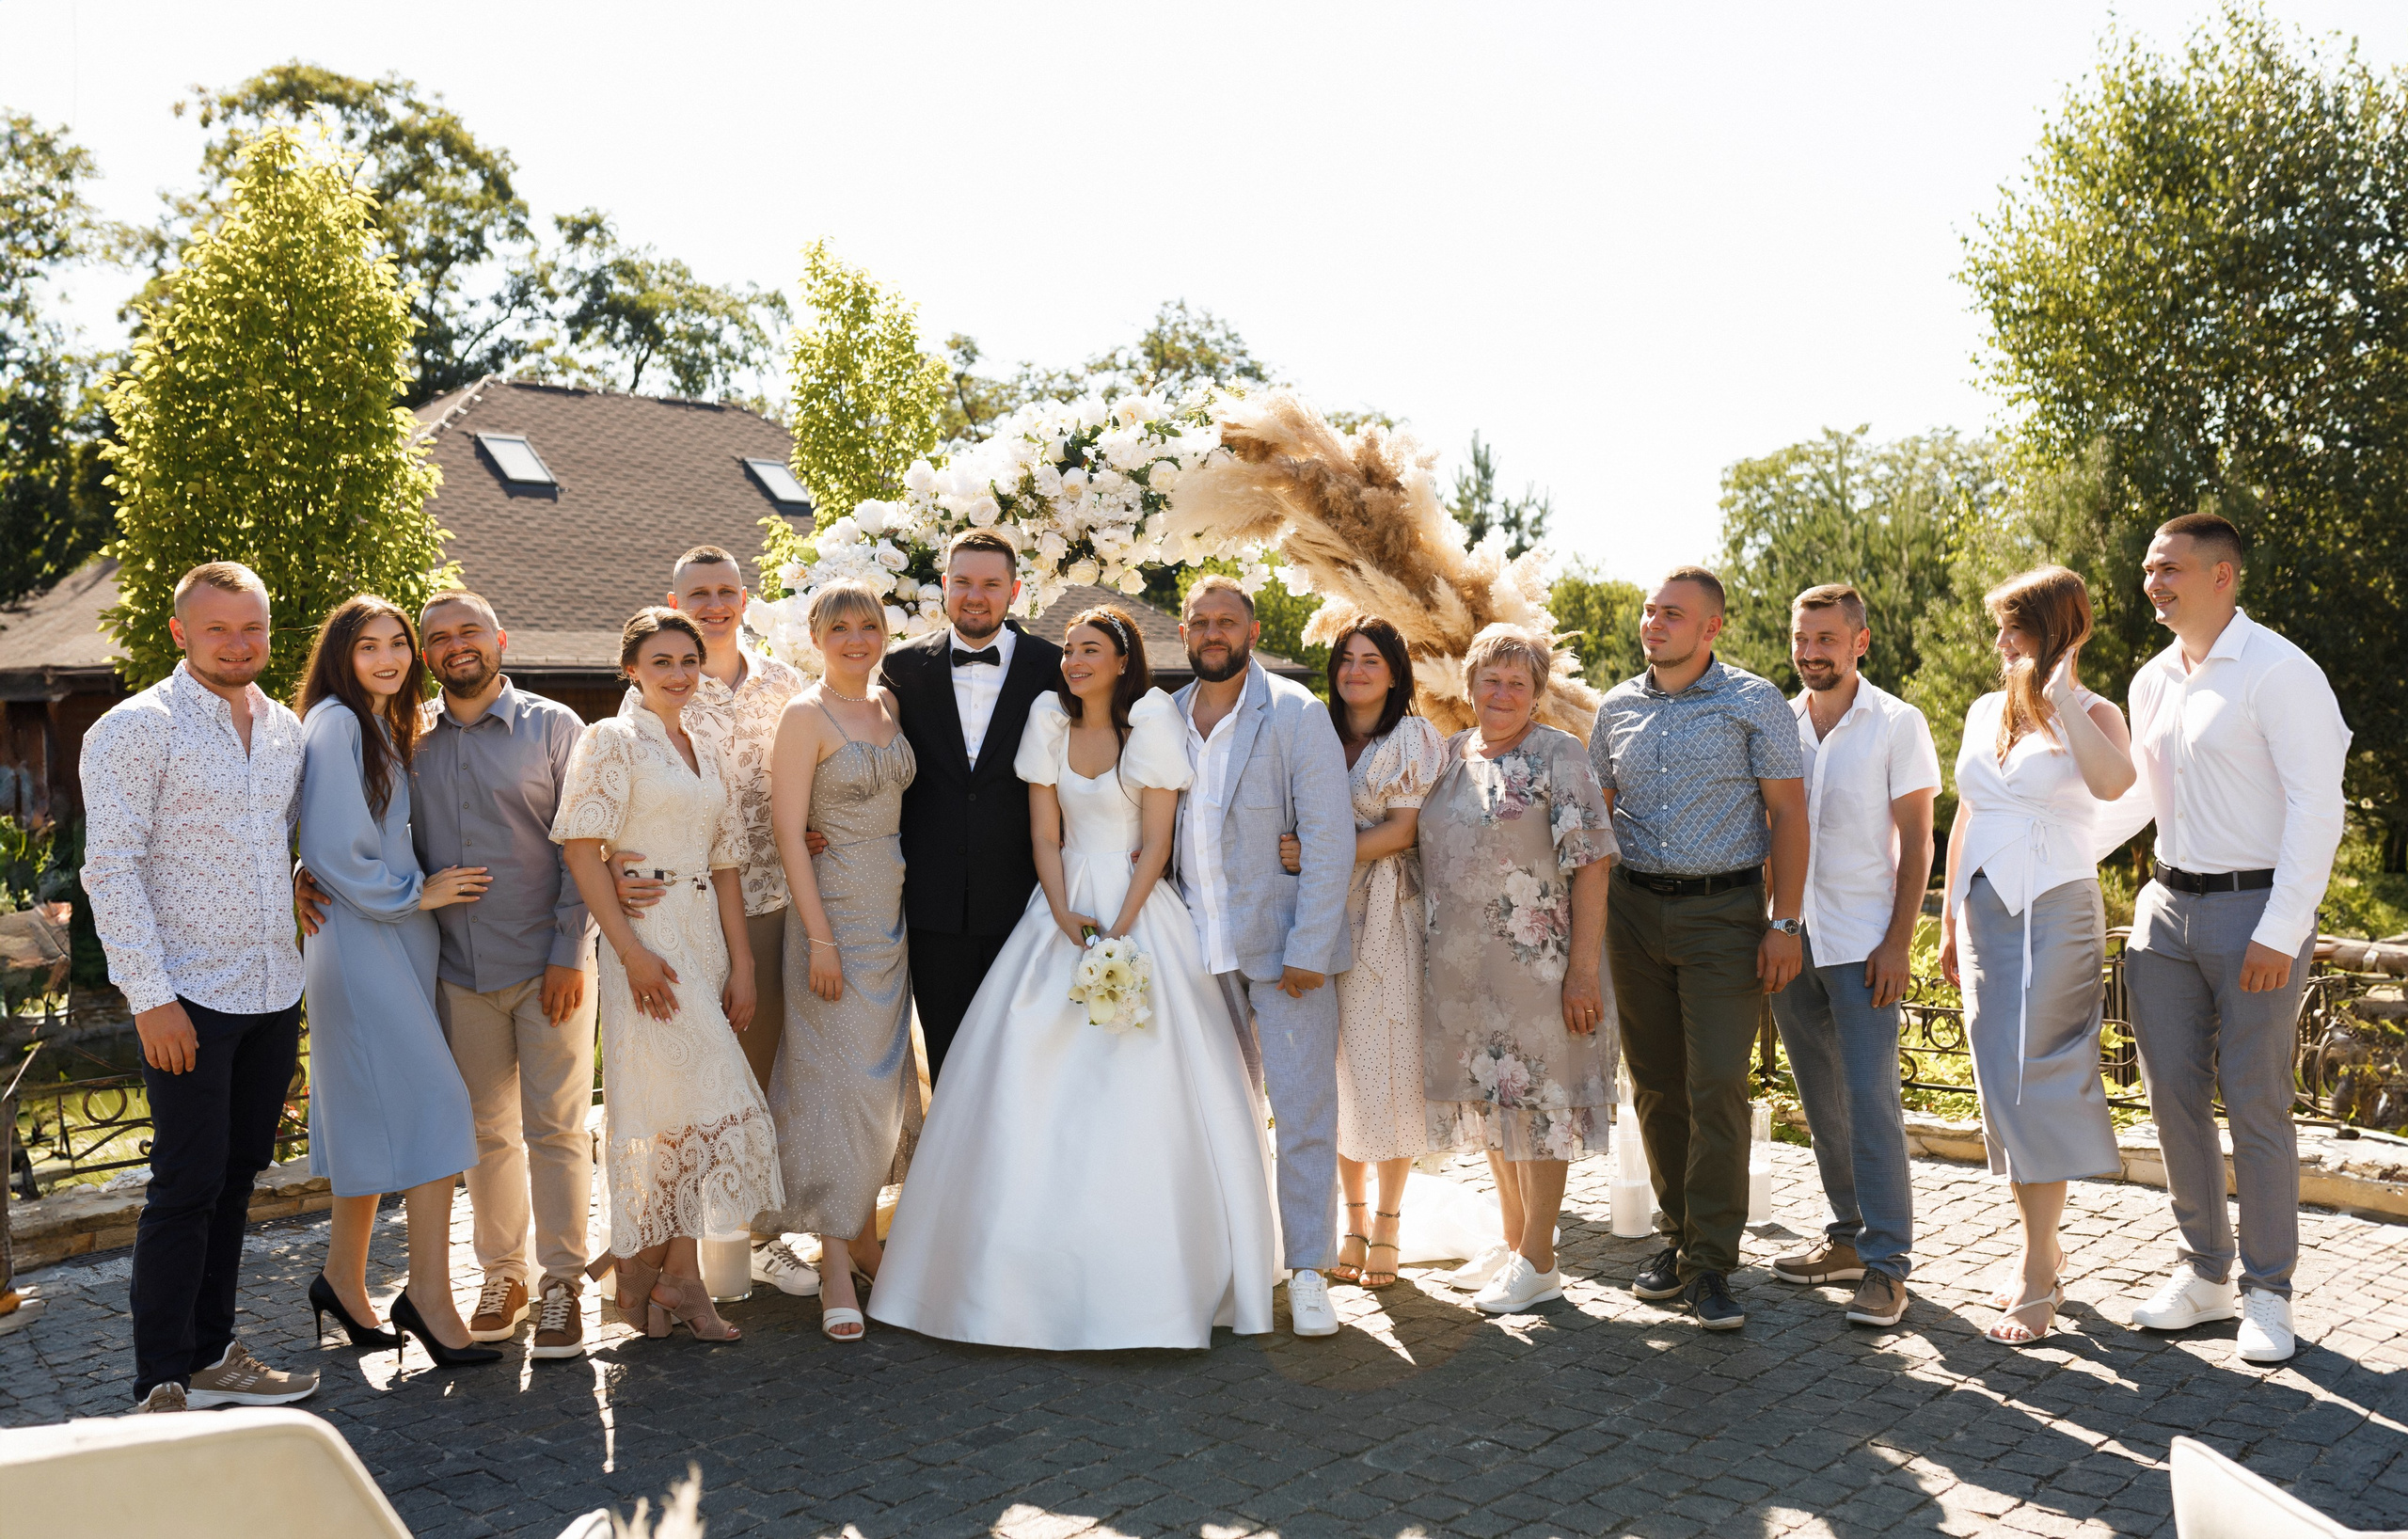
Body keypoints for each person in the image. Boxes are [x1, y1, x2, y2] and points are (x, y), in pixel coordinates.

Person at [869, 606, 1278, 1349]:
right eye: (1071, 652)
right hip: (1059, 910)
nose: (1075, 662)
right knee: (1021, 1069)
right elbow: (1043, 832)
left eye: (1091, 651)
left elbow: (1157, 841)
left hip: (1137, 905)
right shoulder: (1047, 723)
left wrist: (1119, 928)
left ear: (1123, 661)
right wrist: (1063, 914)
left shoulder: (1151, 723)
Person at [80, 562, 321, 1412]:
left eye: (251, 626)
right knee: (185, 1185)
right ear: (181, 632)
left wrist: (298, 881)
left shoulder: (287, 728)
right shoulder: (134, 728)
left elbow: (271, 839)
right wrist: (150, 997)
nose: (238, 643)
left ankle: (215, 1353)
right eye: (218, 628)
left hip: (271, 988)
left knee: (240, 1174)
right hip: (186, 998)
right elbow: (110, 870)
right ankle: (162, 1379)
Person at [2124, 513, 2349, 1366]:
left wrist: (2282, 929)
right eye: (2149, 569)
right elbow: (2134, 803)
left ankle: (2269, 1293)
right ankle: (2206, 1273)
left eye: (2170, 569)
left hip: (2257, 915)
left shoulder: (2281, 672)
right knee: (2172, 1100)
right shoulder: (2153, 681)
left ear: (2223, 576)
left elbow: (2317, 811)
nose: (2154, 582)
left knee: (2256, 1104)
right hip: (2165, 913)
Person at [552, 609, 783, 1342]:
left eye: (689, 660)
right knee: (710, 1113)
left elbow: (725, 867)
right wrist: (631, 952)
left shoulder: (704, 745)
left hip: (705, 942)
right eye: (662, 663)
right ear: (632, 672)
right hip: (645, 943)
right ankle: (641, 1266)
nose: (680, 674)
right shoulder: (611, 739)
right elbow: (582, 849)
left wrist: (743, 965)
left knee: (691, 1121)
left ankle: (673, 1279)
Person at [1589, 565, 1807, 1332]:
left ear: (1712, 628)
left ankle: (1713, 1264)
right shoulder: (1614, 707)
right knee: (1654, 1086)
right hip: (1633, 912)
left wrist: (1786, 923)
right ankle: (1680, 1241)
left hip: (1726, 914)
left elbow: (1788, 816)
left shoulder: (1756, 703)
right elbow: (1596, 820)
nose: (1655, 624)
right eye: (1650, 611)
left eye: (1673, 615)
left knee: (1717, 1083)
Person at [1940, 565, 2144, 1346]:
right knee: (2000, 1077)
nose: (2000, 645)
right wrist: (1954, 918)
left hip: (2058, 905)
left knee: (2040, 1073)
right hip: (1987, 912)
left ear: (2055, 631)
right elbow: (1967, 817)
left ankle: (2035, 1265)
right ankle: (2044, 1244)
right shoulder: (1984, 710)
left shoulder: (2094, 712)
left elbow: (2118, 782)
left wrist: (2060, 696)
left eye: (2013, 629)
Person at [294, 596, 498, 1370]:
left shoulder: (378, 722)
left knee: (373, 1114)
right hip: (363, 936)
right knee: (437, 1103)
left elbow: (321, 833)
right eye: (367, 646)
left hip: (395, 937)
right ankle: (429, 1297)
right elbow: (336, 848)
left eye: (398, 644)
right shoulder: (339, 722)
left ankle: (343, 1279)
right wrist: (421, 894)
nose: (388, 658)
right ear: (339, 656)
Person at [611, 546, 815, 1297]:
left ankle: (756, 1239)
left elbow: (809, 775)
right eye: (699, 591)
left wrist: (812, 822)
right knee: (683, 1083)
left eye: (727, 590)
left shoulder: (788, 685)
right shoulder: (654, 690)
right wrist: (609, 871)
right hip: (673, 912)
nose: (715, 603)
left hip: (769, 900)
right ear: (674, 597)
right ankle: (666, 1255)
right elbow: (616, 795)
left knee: (755, 1077)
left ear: (746, 597)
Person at [411, 590, 602, 1360]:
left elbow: (580, 845)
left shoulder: (556, 728)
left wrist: (568, 951)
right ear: (425, 654)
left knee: (556, 1128)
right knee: (485, 1133)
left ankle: (562, 1284)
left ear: (499, 639)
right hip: (457, 970)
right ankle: (504, 1275)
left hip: (546, 963)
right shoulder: (406, 734)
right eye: (439, 637)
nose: (457, 645)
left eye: (470, 632)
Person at [1174, 576, 1355, 1339]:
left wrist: (1310, 946)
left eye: (1227, 621)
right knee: (1216, 1118)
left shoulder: (1294, 712)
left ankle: (1310, 1269)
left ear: (1251, 630)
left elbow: (1328, 836)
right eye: (1200, 621)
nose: (1213, 632)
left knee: (1303, 1109)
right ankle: (1238, 1262)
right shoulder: (1163, 716)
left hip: (1284, 952)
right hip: (1193, 946)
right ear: (1186, 632)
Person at [1420, 626, 1619, 1315]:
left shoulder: (1559, 755)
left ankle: (1540, 1259)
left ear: (1537, 694)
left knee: (1538, 1109)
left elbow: (1592, 862)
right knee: (1496, 1105)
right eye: (1490, 680)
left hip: (1540, 968)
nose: (1501, 693)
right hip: (1463, 973)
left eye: (1517, 683)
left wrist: (1584, 974)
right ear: (1469, 686)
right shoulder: (1449, 755)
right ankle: (1512, 1246)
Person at [1765, 585, 1941, 1329]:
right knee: (1821, 1105)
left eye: (1826, 640)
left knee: (1871, 1105)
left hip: (1866, 945)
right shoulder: (1773, 720)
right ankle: (1845, 1238)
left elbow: (1918, 844)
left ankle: (1887, 1265)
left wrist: (1899, 942)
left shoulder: (1898, 723)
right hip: (1792, 940)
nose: (1811, 652)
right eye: (1802, 639)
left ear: (1859, 642)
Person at [765, 581, 920, 1341]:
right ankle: (831, 1257)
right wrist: (820, 939)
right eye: (840, 627)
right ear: (816, 635)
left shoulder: (890, 707)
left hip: (892, 918)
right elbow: (790, 832)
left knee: (882, 1087)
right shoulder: (805, 715)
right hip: (833, 924)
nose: (856, 638)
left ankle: (861, 1238)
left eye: (869, 625)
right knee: (835, 1082)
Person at [1276, 618, 1444, 1290]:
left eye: (1370, 661)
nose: (1355, 671)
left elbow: (1404, 831)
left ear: (1395, 672)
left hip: (1385, 916)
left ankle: (1389, 1223)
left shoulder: (1413, 737)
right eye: (1346, 659)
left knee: (1387, 1070)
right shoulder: (1313, 728)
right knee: (1333, 1071)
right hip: (1314, 916)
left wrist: (1319, 851)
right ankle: (1346, 1221)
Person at [877, 530, 1066, 1081]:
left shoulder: (1055, 669)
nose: (975, 595)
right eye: (962, 582)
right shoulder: (902, 668)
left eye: (990, 584)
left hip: (1029, 905)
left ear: (1014, 591)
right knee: (949, 1065)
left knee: (1027, 1066)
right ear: (943, 587)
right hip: (931, 910)